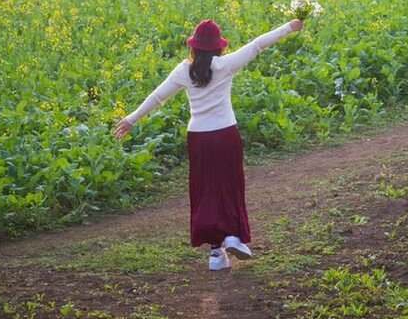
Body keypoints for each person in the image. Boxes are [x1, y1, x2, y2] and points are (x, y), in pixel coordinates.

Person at [114, 16, 303, 270]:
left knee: (205, 190)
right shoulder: (225, 65)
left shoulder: (183, 70)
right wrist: (289, 27)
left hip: (199, 138)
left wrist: (131, 119)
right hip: (225, 134)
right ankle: (233, 236)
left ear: (193, 46)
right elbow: (257, 45)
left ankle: (216, 253)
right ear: (218, 46)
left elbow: (158, 96)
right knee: (229, 185)